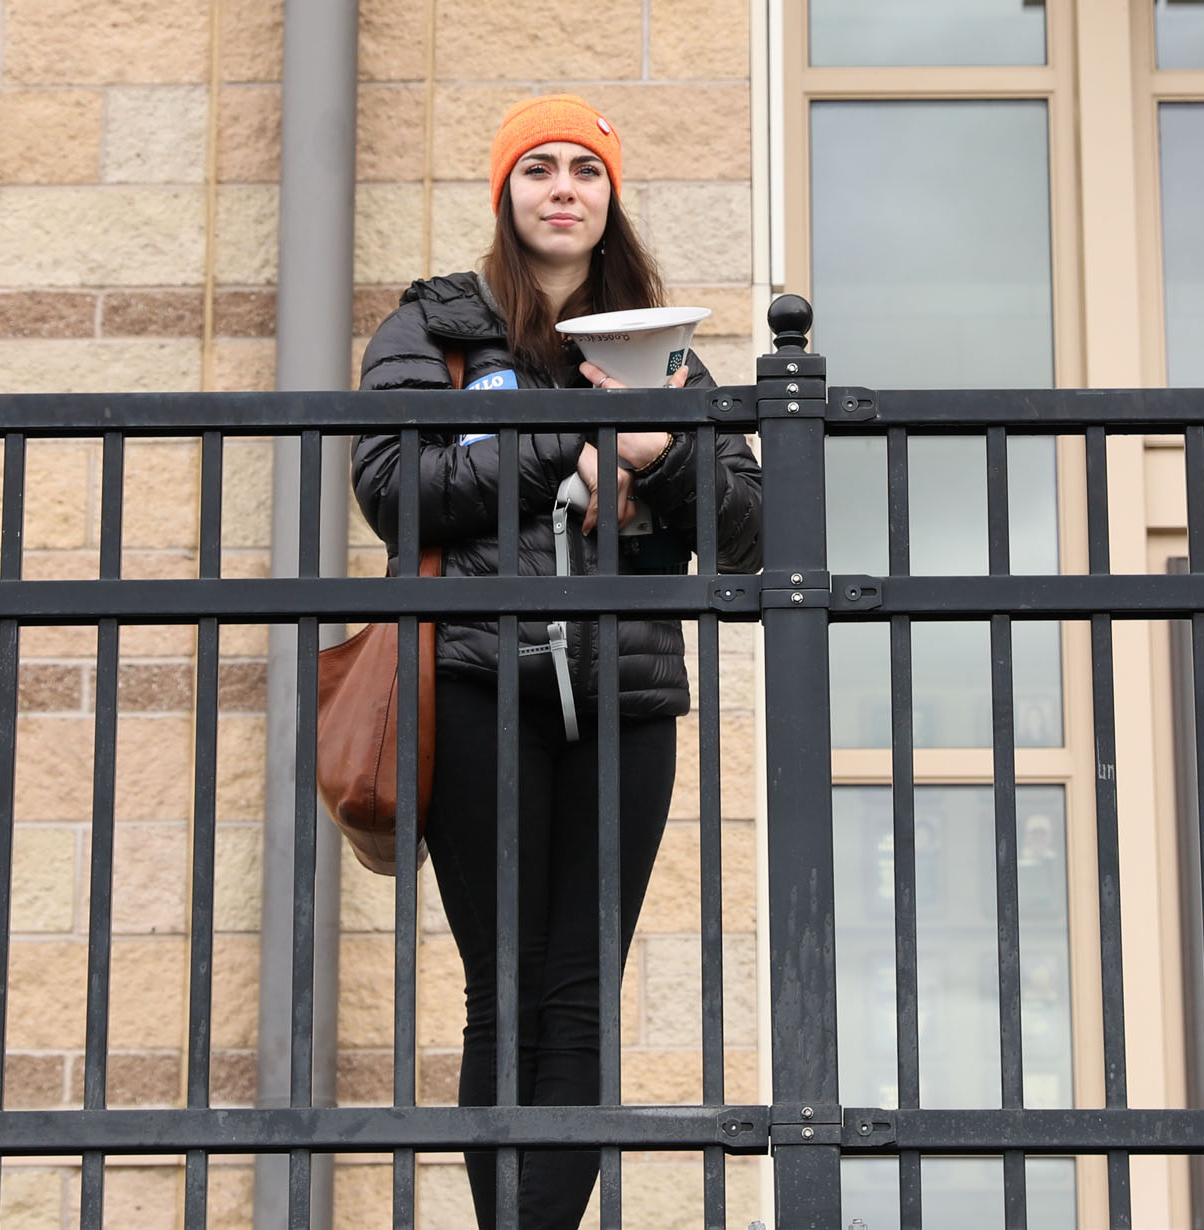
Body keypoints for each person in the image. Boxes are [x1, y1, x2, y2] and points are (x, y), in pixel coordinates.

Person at [350, 95, 764, 1229]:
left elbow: (749, 529)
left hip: (625, 687)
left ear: (609, 198)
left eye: (586, 168)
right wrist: (559, 442)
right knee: (507, 995)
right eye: (538, 167)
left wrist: (658, 450)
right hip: (478, 677)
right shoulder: (432, 329)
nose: (564, 187)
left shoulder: (668, 352)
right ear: (505, 192)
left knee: (580, 998)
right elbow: (392, 489)